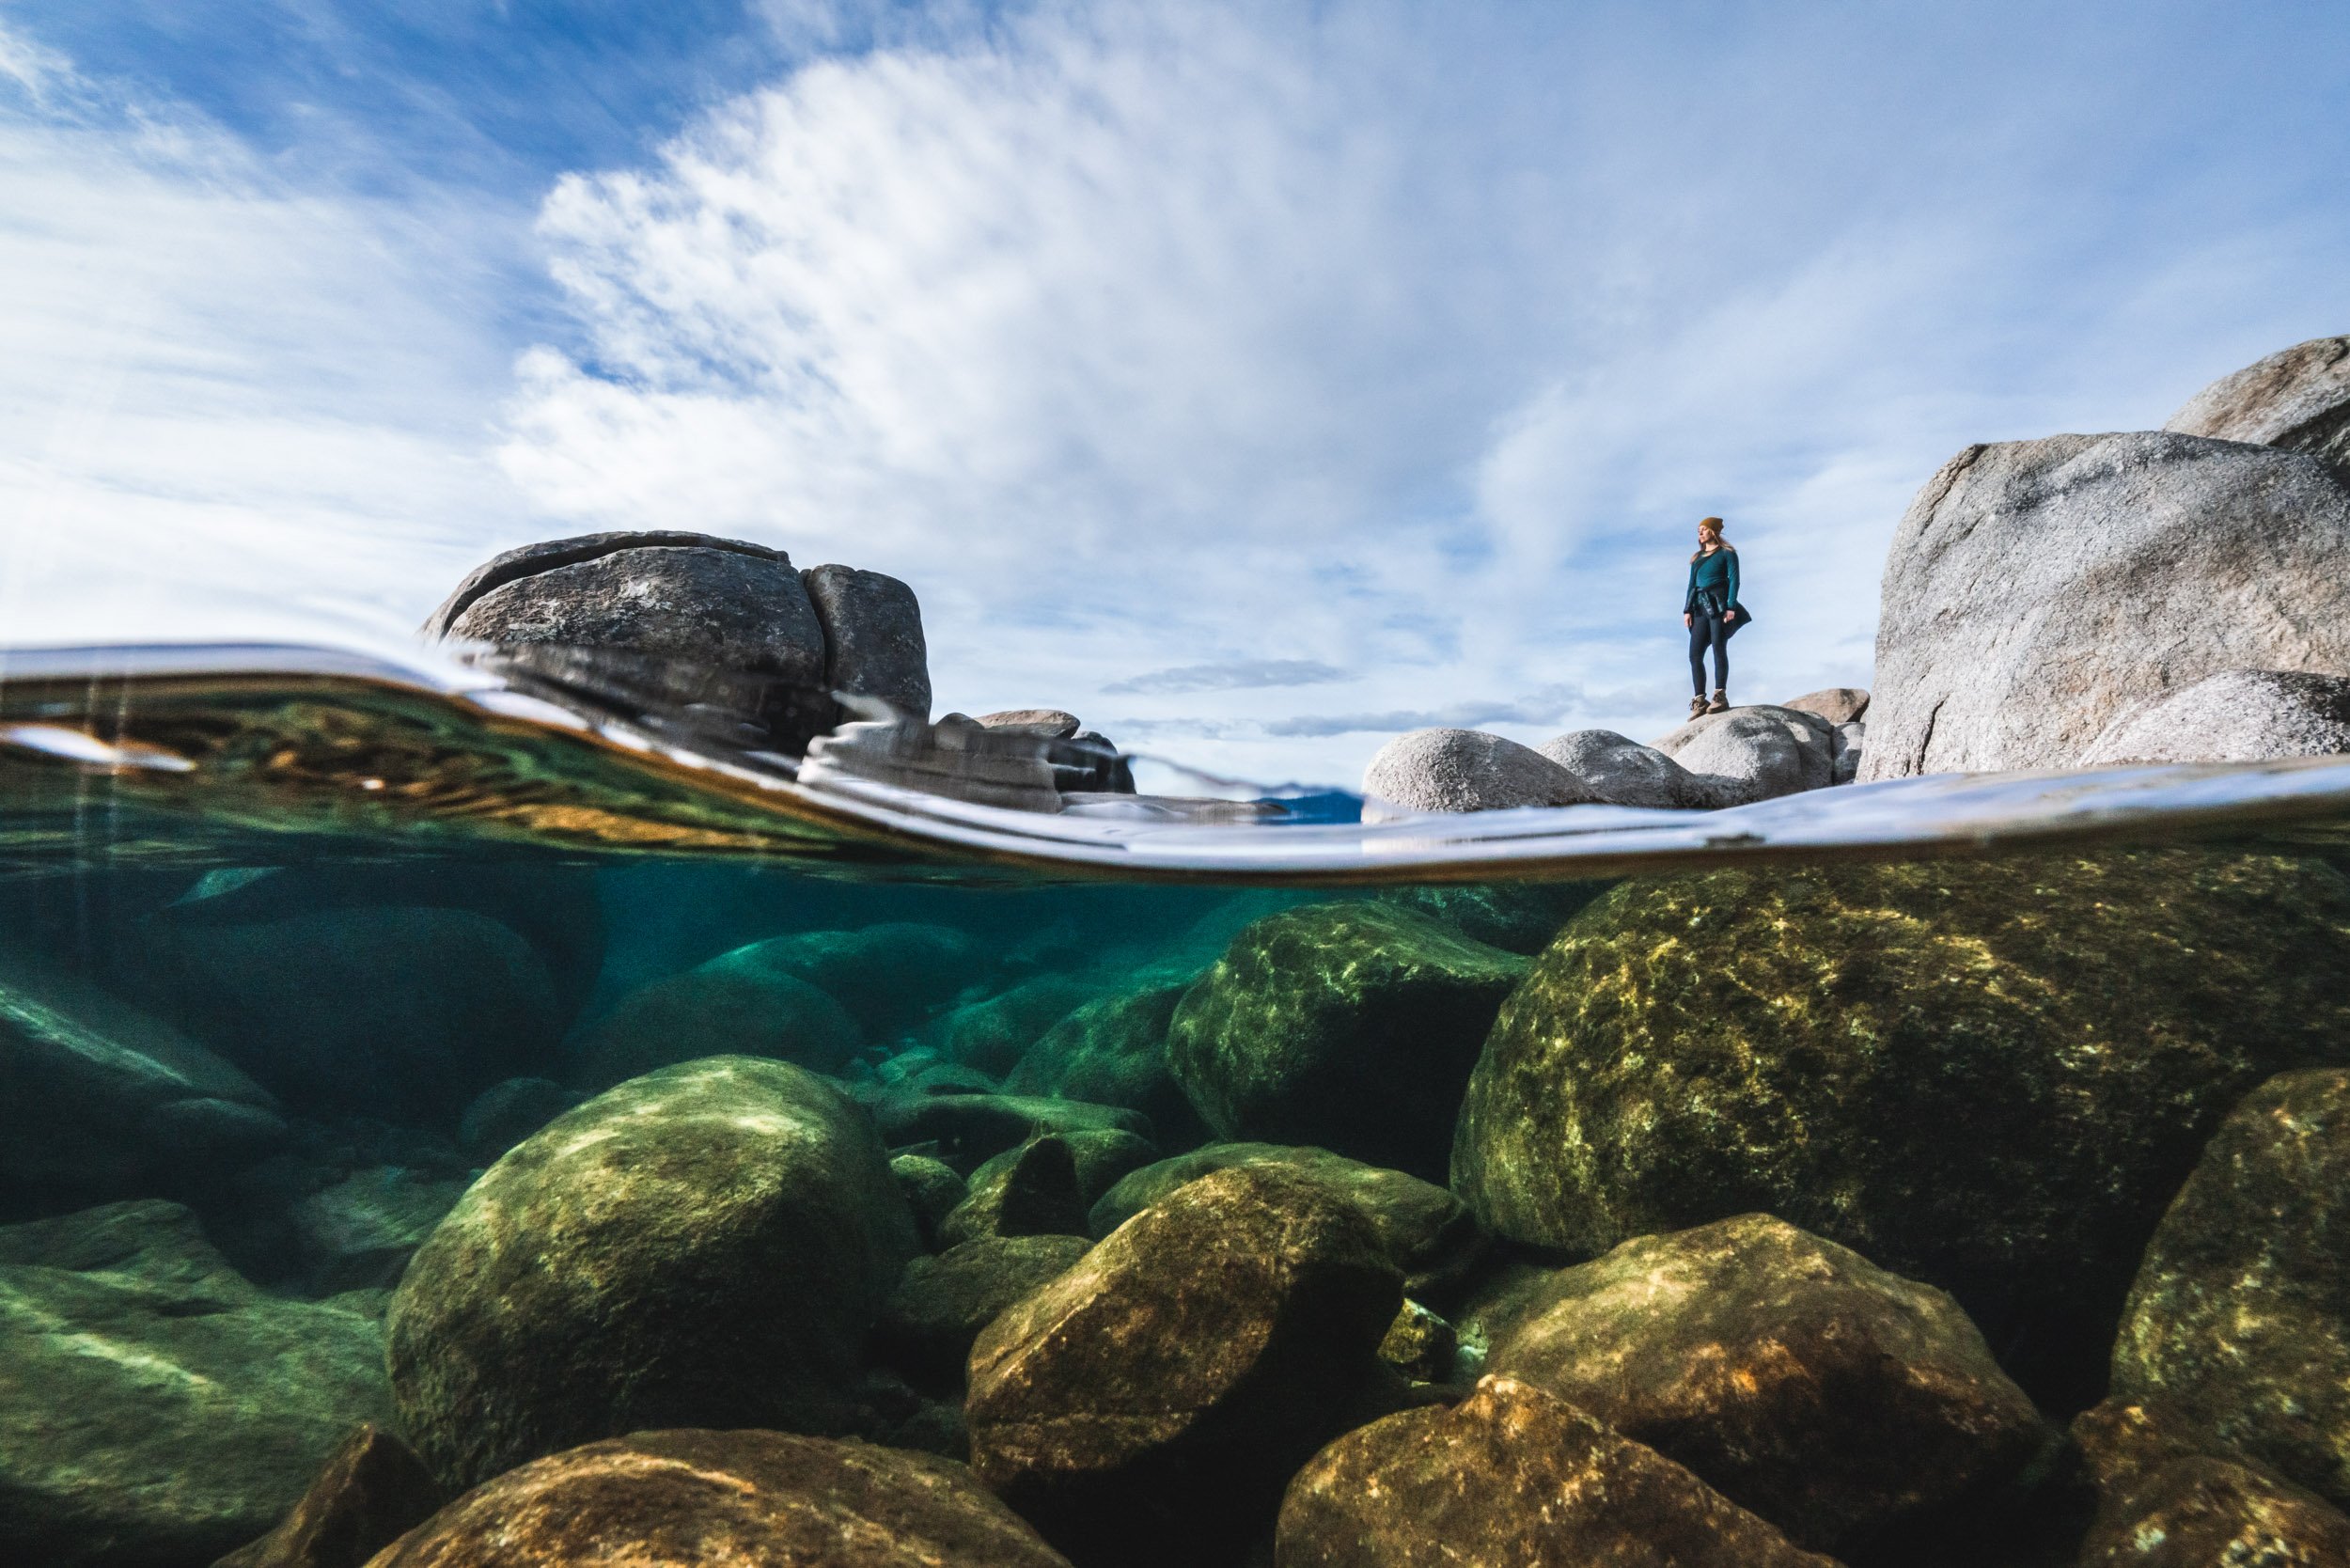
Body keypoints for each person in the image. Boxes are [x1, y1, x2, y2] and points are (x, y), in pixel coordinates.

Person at [1682, 516, 1741, 717]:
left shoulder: (1727, 554)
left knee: (1718, 646)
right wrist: (1687, 610)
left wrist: (1730, 606)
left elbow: (1734, 580)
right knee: (1694, 654)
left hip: (1719, 605)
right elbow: (1692, 585)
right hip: (1699, 607)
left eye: (1704, 529)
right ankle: (1700, 699)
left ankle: (1720, 695)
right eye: (1698, 529)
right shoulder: (1696, 558)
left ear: (1713, 532)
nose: (1700, 533)